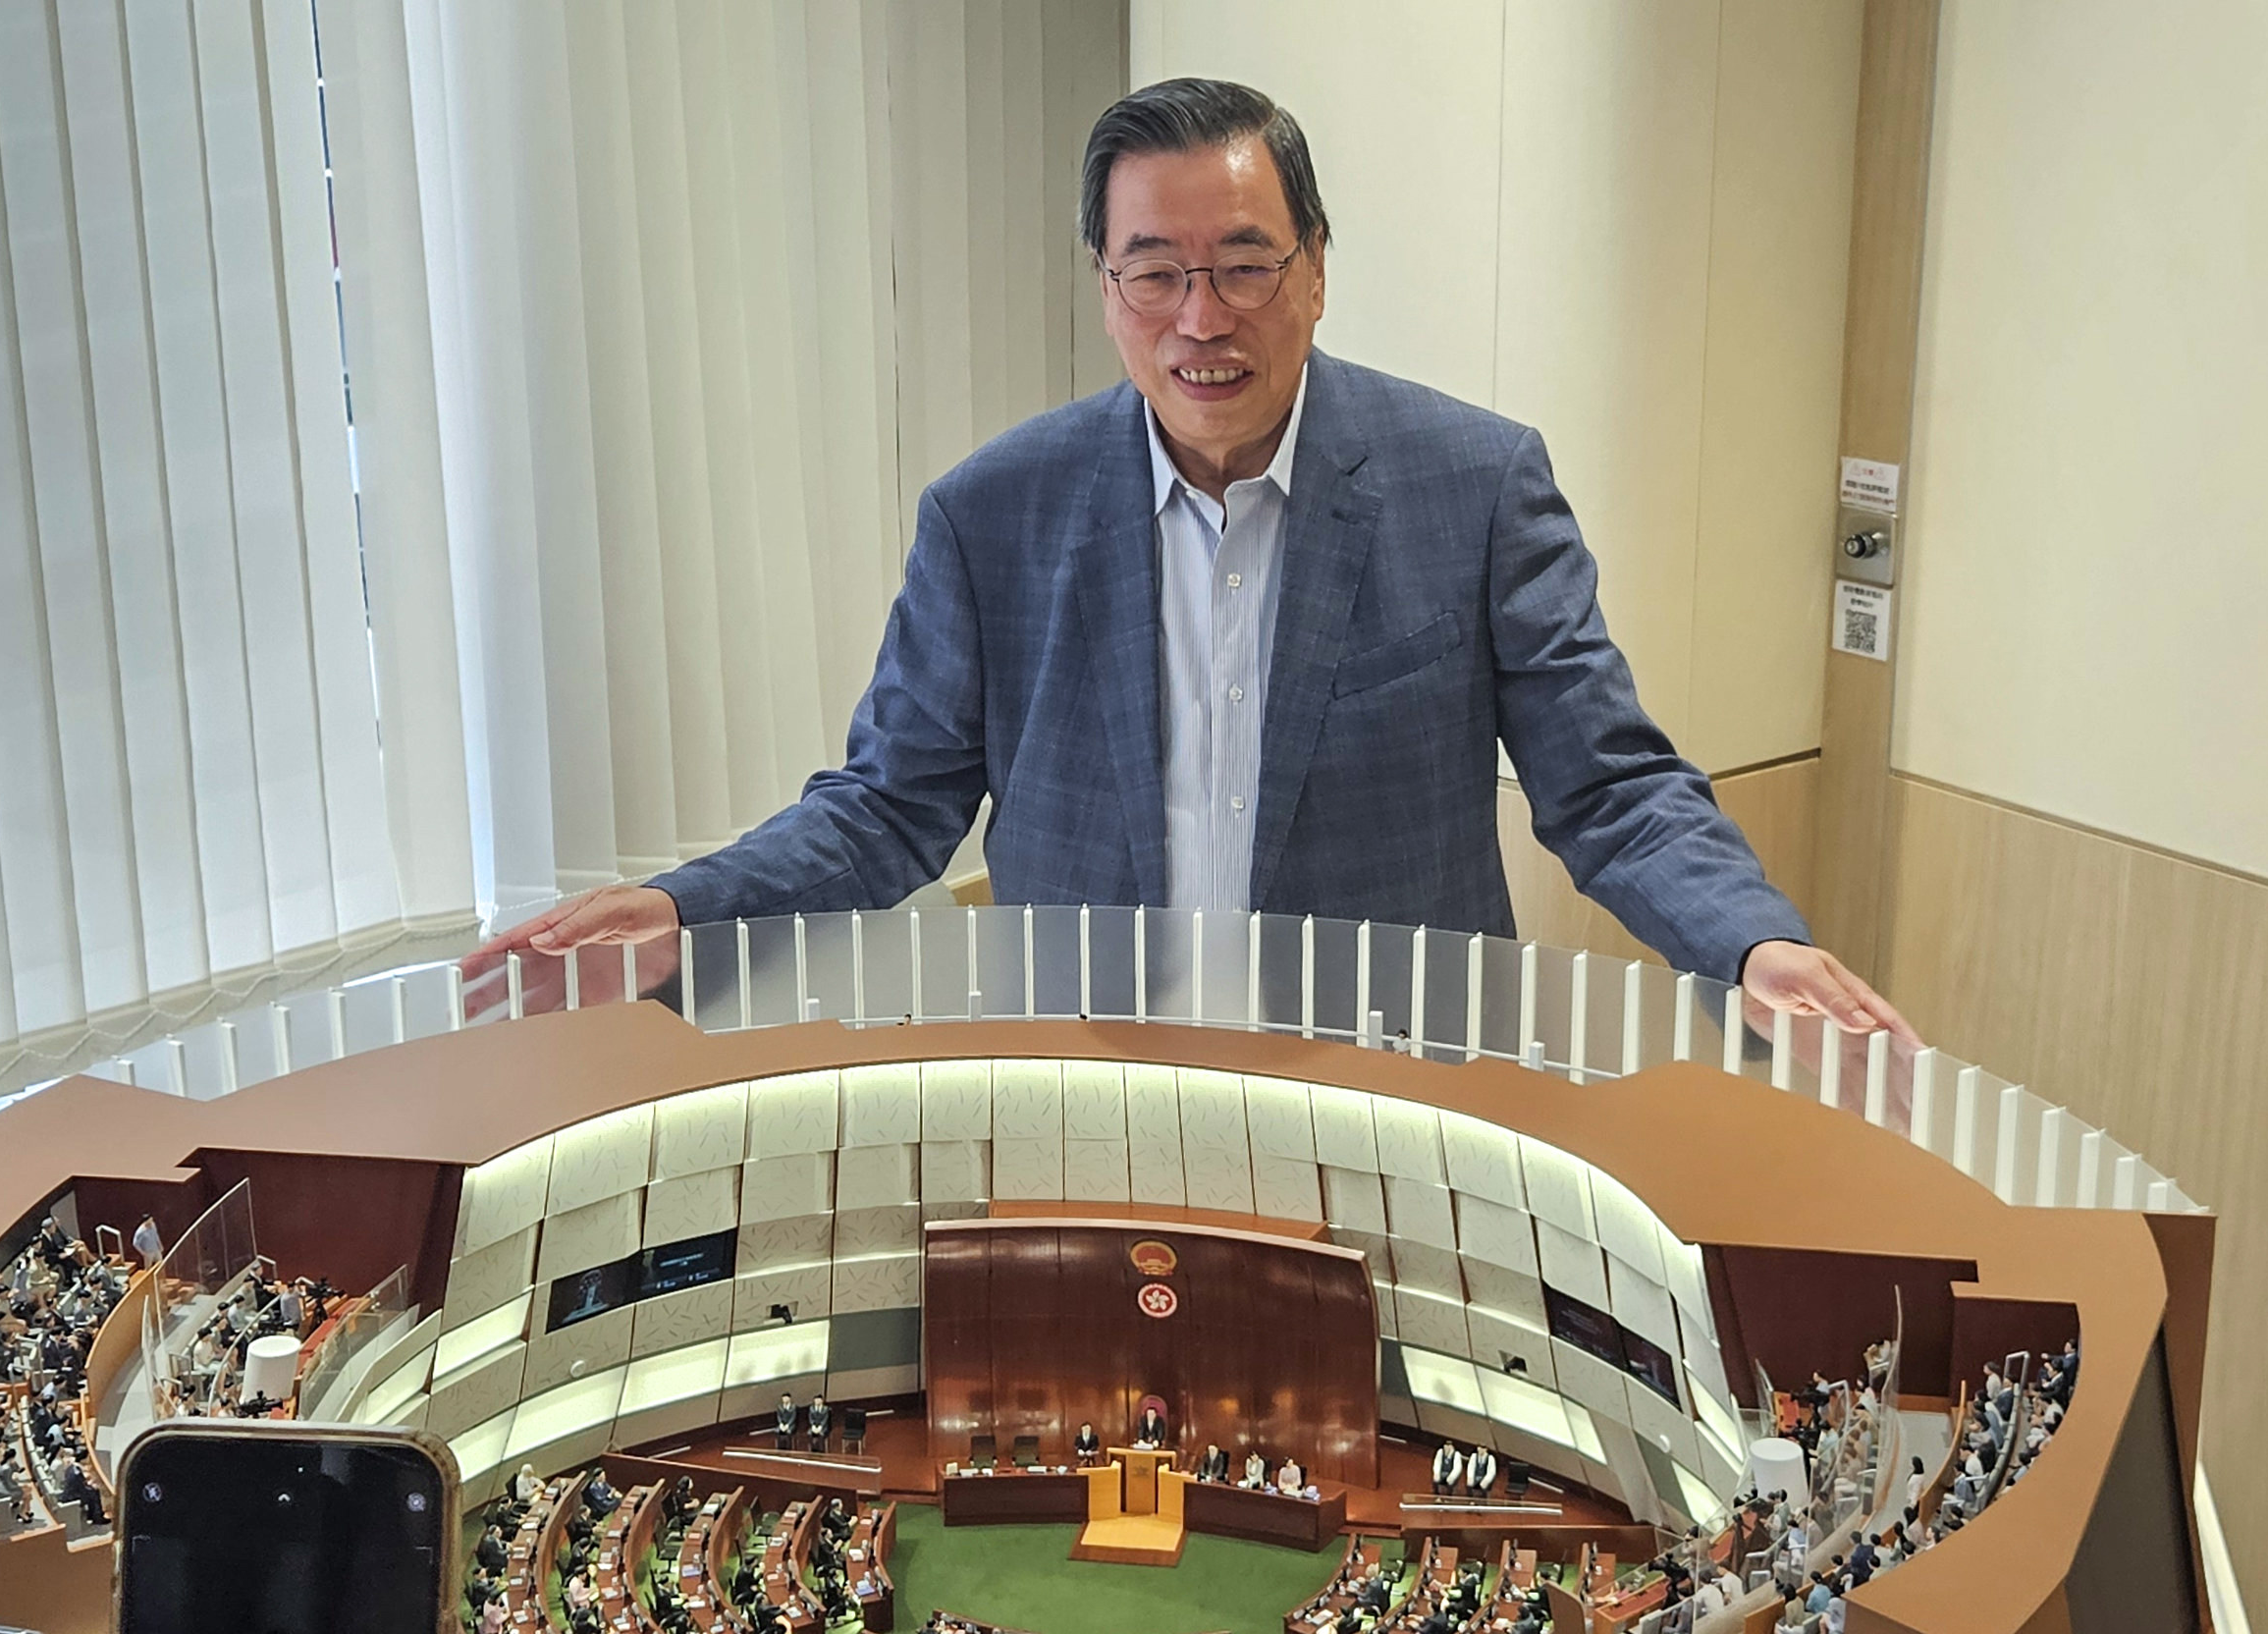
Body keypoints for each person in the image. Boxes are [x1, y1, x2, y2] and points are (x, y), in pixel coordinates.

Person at [459, 80, 1917, 1066]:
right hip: (1092, 1083)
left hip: (1399, 1082)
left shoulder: (1475, 484)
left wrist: (1753, 949)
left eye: (1243, 262)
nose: (1199, 316)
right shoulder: (995, 513)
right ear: (1104, 285)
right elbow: (891, 810)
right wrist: (685, 911)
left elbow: (1607, 786)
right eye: (1153, 270)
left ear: (1318, 266)